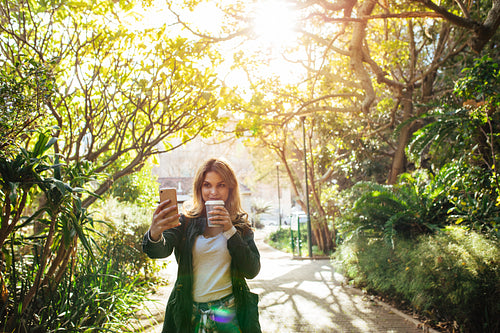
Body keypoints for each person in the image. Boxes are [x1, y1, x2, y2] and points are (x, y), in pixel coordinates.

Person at [143, 158, 261, 333]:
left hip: (229, 311)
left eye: (221, 185)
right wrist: (154, 233)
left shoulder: (239, 225)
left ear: (230, 188)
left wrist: (229, 230)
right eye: (207, 185)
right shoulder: (186, 222)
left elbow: (252, 270)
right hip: (191, 313)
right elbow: (159, 251)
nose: (213, 192)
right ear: (199, 188)